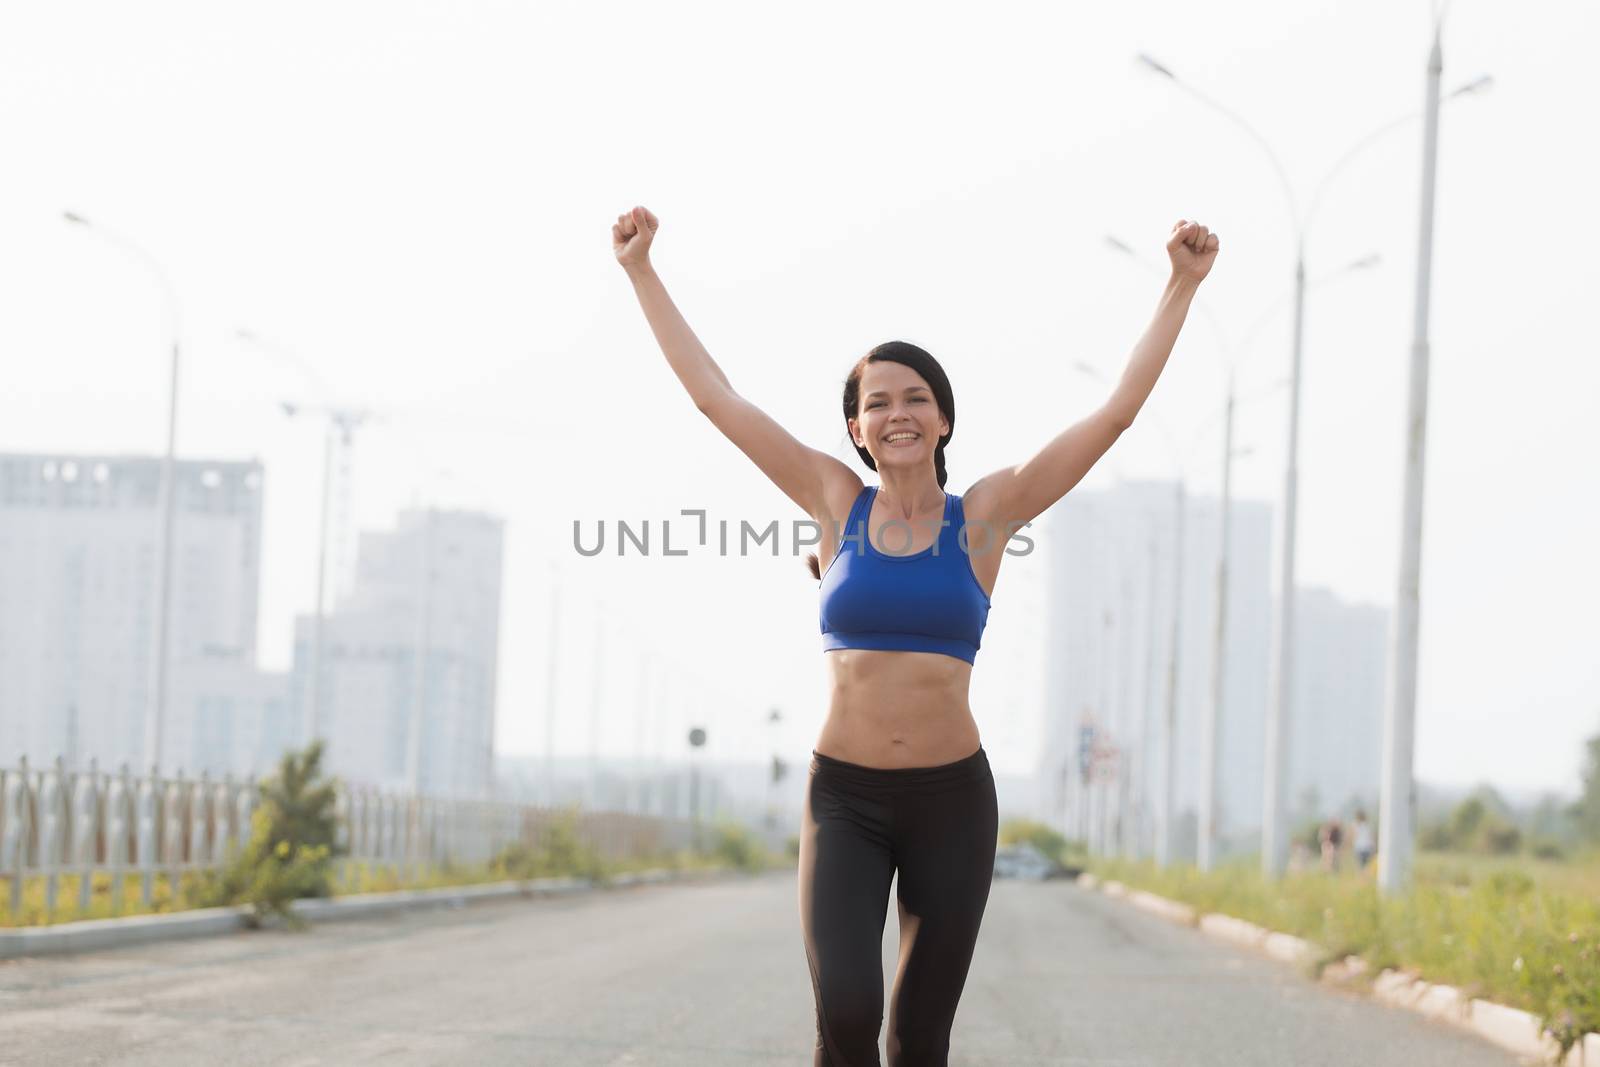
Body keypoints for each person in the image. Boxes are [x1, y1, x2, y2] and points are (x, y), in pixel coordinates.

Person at [612, 204, 1220, 1066]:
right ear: (856, 429)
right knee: (849, 1013)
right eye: (877, 403)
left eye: (916, 399)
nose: (897, 413)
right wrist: (643, 271)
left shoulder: (988, 515)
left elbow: (1115, 413)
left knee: (918, 1034)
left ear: (943, 420)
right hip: (845, 801)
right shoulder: (832, 498)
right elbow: (716, 397)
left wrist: (1179, 285)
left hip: (951, 803)